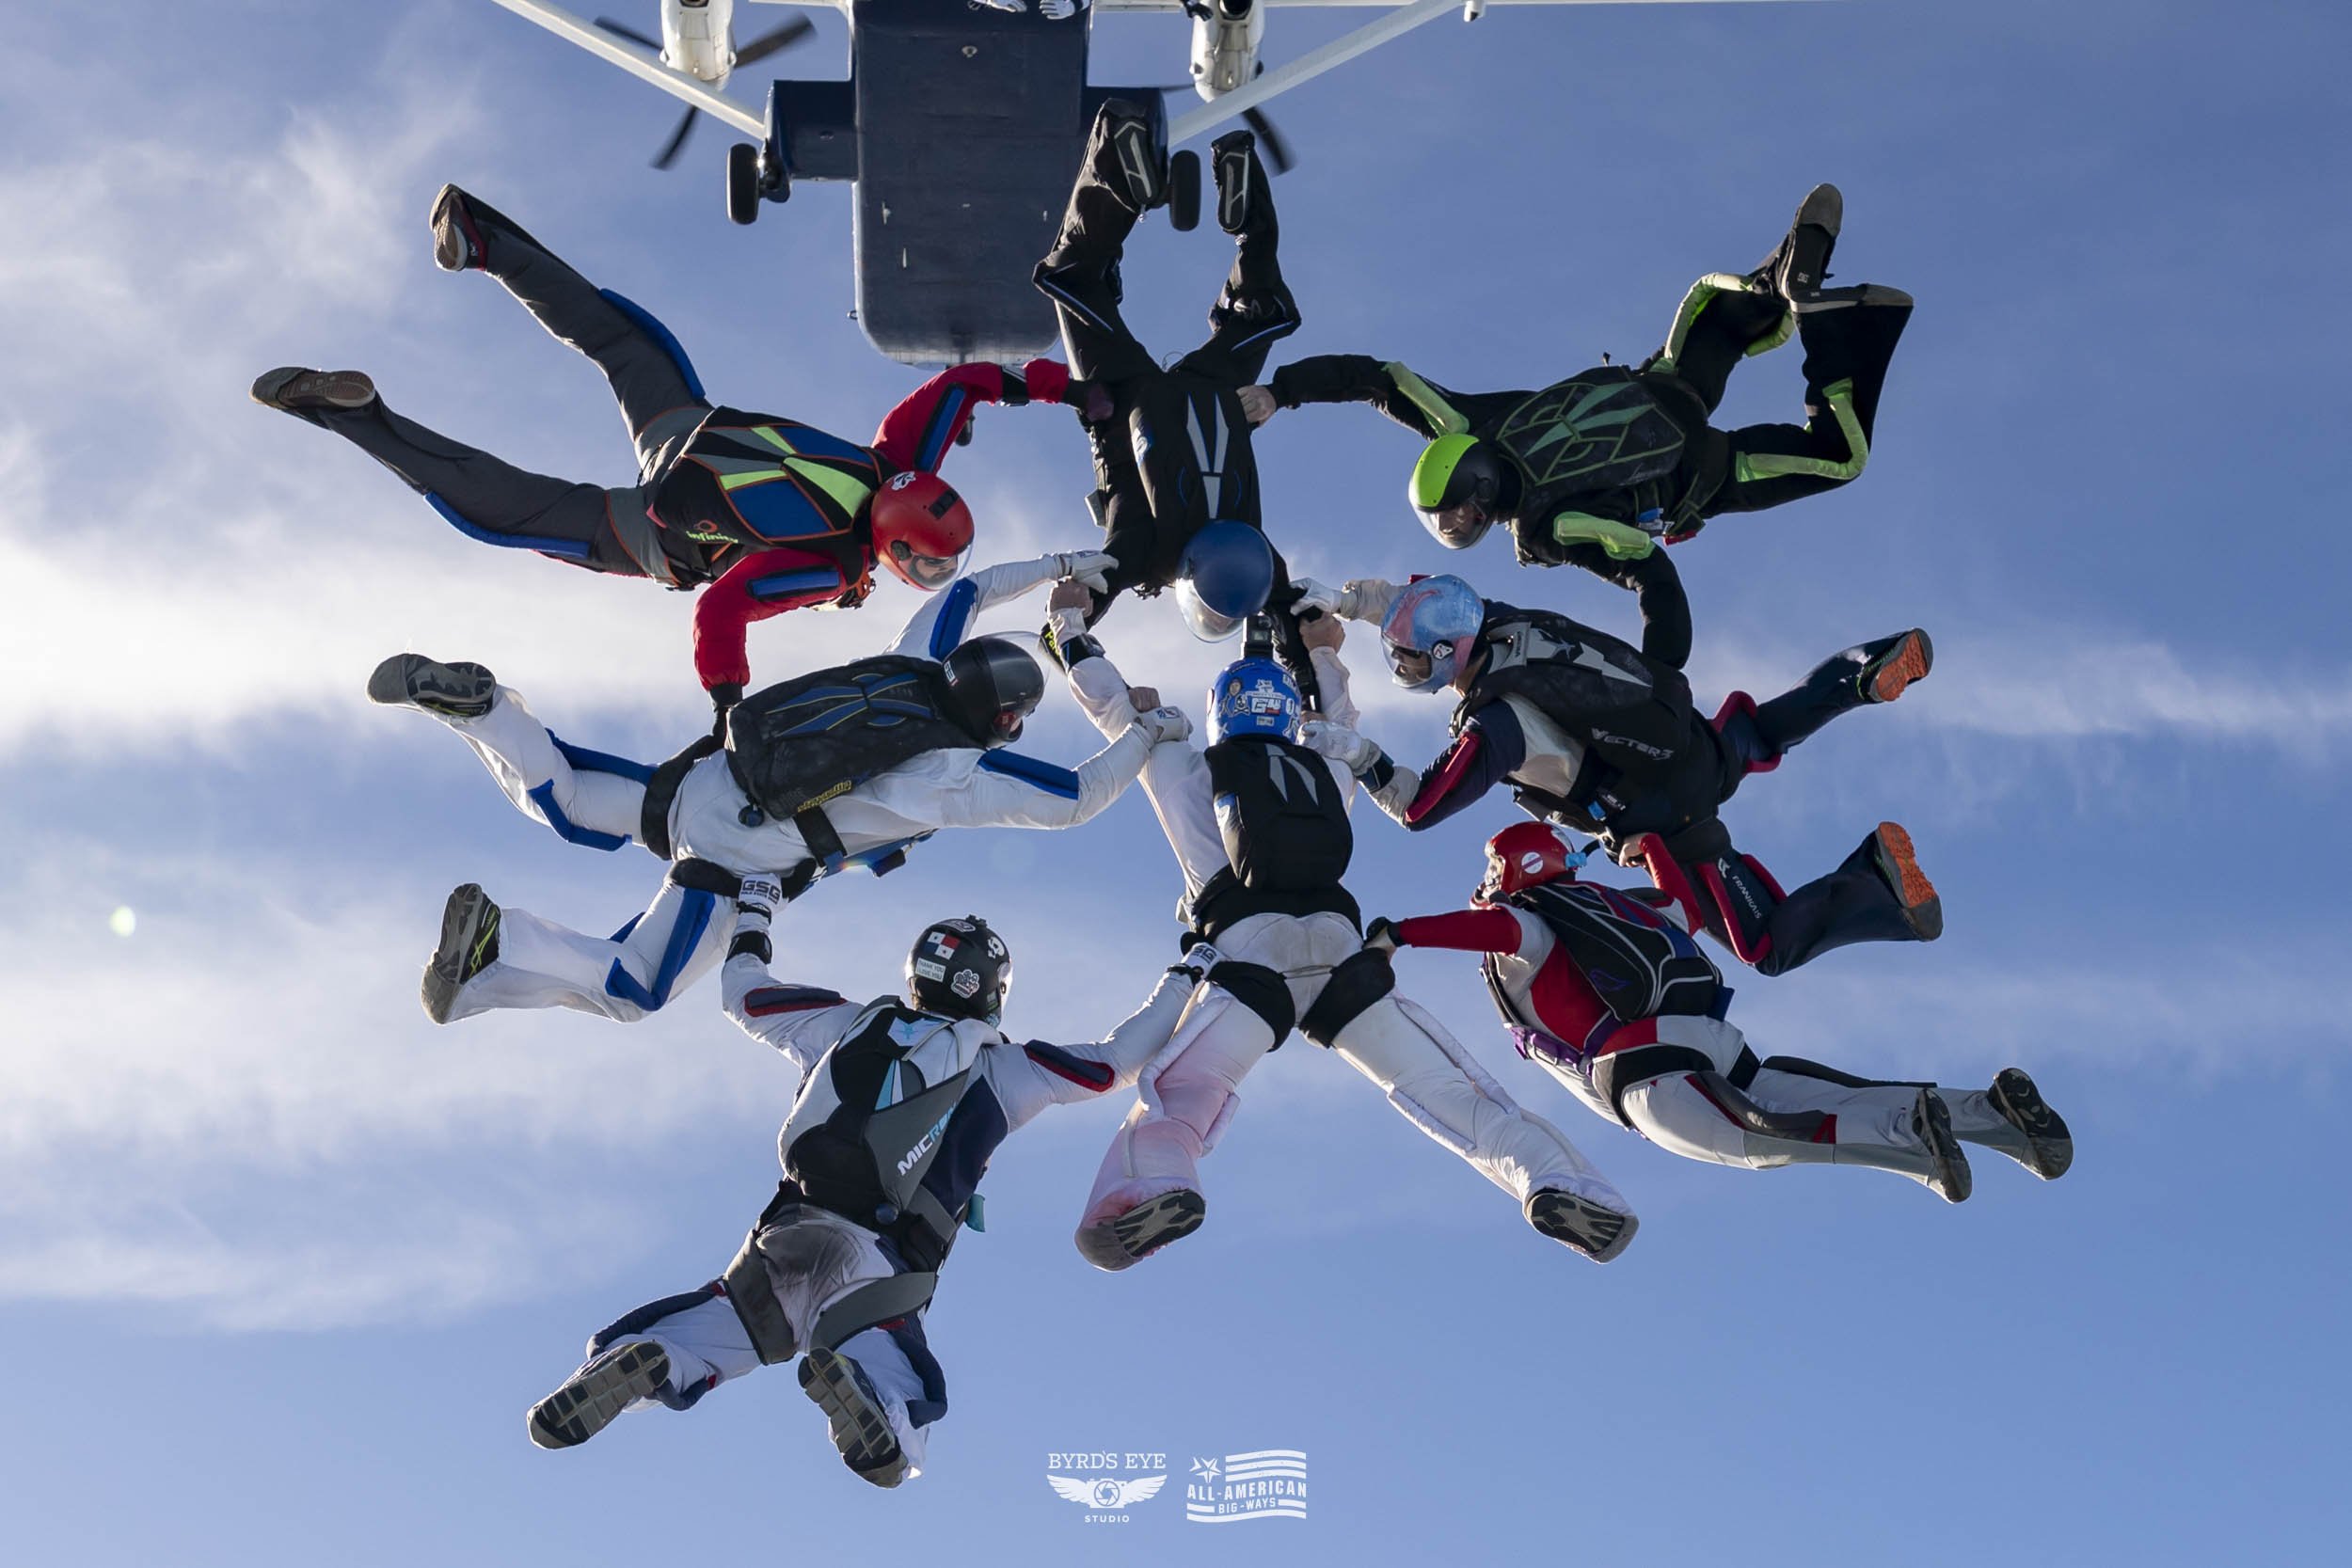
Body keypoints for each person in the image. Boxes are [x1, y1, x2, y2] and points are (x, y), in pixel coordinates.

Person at [253, 184, 1098, 712]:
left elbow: (969, 383)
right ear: (897, 545)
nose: (928, 573)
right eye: (929, 564)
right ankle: (353, 416)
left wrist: (1071, 391)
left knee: (618, 336)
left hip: (689, 432)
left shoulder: (900, 461)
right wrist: (730, 705)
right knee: (499, 507)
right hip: (654, 533)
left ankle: (481, 238)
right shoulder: (833, 566)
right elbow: (720, 611)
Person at [1045, 583, 1636, 1266]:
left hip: (1248, 950)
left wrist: (1069, 627)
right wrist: (1324, 650)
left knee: (1182, 1098)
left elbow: (1111, 707)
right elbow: (1342, 718)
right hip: (1338, 946)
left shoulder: (1181, 763)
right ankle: (1559, 1181)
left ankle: (1153, 1185)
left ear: (1218, 714)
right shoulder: (1324, 763)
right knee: (1452, 1096)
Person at [525, 915, 1217, 1484]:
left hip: (785, 1233)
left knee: (719, 1329)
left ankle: (650, 1354)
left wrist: (754, 913)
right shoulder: (1000, 1067)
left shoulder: (843, 1023)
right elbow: (1113, 1060)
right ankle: (878, 1407)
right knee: (898, 1385)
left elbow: (744, 994)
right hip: (881, 1263)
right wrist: (1190, 969)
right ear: (991, 993)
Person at [368, 551, 1184, 1025]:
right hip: (739, 856)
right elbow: (1078, 798)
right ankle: (498, 946)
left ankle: (486, 716)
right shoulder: (953, 773)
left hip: (711, 775)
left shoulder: (915, 661)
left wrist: (1063, 567)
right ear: (1000, 719)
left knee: (573, 799)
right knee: (636, 988)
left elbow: (966, 590)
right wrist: (1151, 730)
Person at [1365, 821, 2074, 1203]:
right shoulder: (1610, 906)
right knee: (1829, 1094)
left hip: (1644, 1070)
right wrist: (1652, 850)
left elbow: (1491, 930)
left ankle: (1915, 1134)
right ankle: (1993, 1115)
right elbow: (1686, 909)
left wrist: (1398, 933)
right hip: (1715, 1041)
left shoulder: (1525, 925)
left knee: (1763, 1139)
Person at [1292, 564, 1941, 976]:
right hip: (1685, 739)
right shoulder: (1497, 620)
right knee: (1764, 732)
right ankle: (1862, 671)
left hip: (1661, 814)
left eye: (1409, 658)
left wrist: (1357, 753)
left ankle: (1875, 883)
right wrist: (1345, 601)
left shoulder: (1497, 724)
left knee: (1766, 946)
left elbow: (1417, 806)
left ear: (1441, 655)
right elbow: (1416, 601)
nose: (1403, 665)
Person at [1241, 185, 1910, 562]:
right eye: (1454, 524)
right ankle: (1784, 280)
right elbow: (1379, 377)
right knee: (1726, 325)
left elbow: (1638, 565)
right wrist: (1280, 392)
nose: (1466, 521)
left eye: (1459, 511)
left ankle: (1835, 324)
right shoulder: (1464, 423)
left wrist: (1664, 667)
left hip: (1702, 473)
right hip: (1662, 387)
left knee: (1839, 457)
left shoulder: (1536, 522)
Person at [1032, 102, 1319, 684]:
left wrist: (1306, 677)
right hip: (1121, 399)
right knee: (1075, 278)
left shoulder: (1257, 555)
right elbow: (1073, 620)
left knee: (1260, 312)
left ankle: (1240, 181)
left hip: (1215, 391)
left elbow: (1294, 626)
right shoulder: (1150, 555)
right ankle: (1119, 163)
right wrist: (1066, 625)